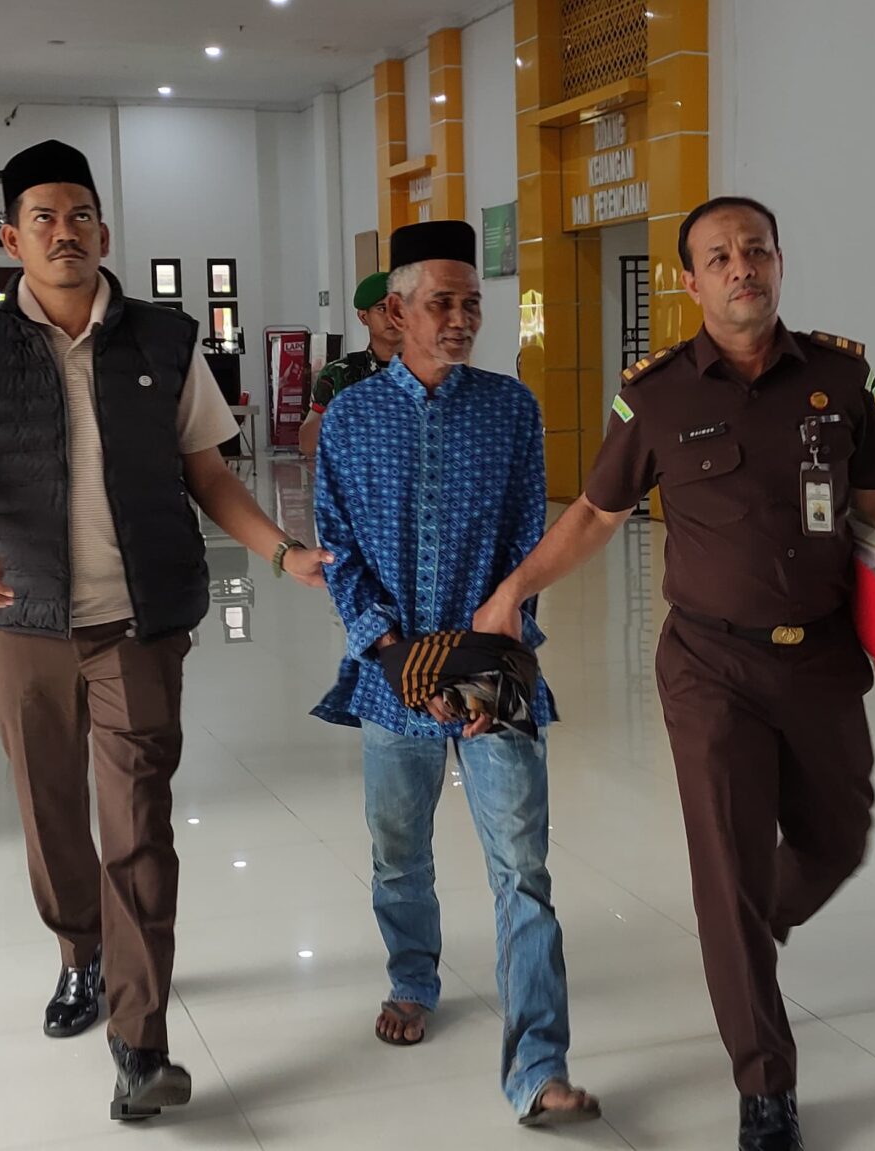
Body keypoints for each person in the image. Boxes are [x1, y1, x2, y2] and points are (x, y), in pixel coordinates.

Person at [472, 197, 875, 1151]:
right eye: (720, 256)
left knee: (839, 837)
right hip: (711, 664)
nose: (741, 267)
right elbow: (596, 514)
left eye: (756, 250)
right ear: (690, 281)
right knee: (728, 867)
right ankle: (765, 1086)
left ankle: (743, 930)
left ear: (779, 262)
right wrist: (514, 589)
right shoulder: (659, 394)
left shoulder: (841, 376)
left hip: (823, 657)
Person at [0, 139, 329, 1123]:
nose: (65, 233)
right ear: (12, 239)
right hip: (23, 619)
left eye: (81, 216)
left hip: (138, 620)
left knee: (138, 820)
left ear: (104, 230)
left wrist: (281, 550)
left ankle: (140, 1044)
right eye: (44, 219)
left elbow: (210, 472)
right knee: (50, 807)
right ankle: (79, 949)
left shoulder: (167, 340)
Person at [310, 220, 602, 1128]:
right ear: (397, 312)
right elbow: (338, 548)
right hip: (389, 677)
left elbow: (527, 545)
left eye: (472, 302)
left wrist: (482, 672)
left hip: (491, 678)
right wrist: (390, 652)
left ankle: (539, 1065)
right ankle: (412, 977)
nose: (462, 318)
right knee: (398, 851)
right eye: (442, 302)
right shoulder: (351, 418)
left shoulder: (511, 409)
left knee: (523, 866)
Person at [299, 271, 400, 459]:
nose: (392, 317)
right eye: (382, 308)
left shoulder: (429, 374)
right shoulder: (339, 374)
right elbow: (307, 445)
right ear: (363, 317)